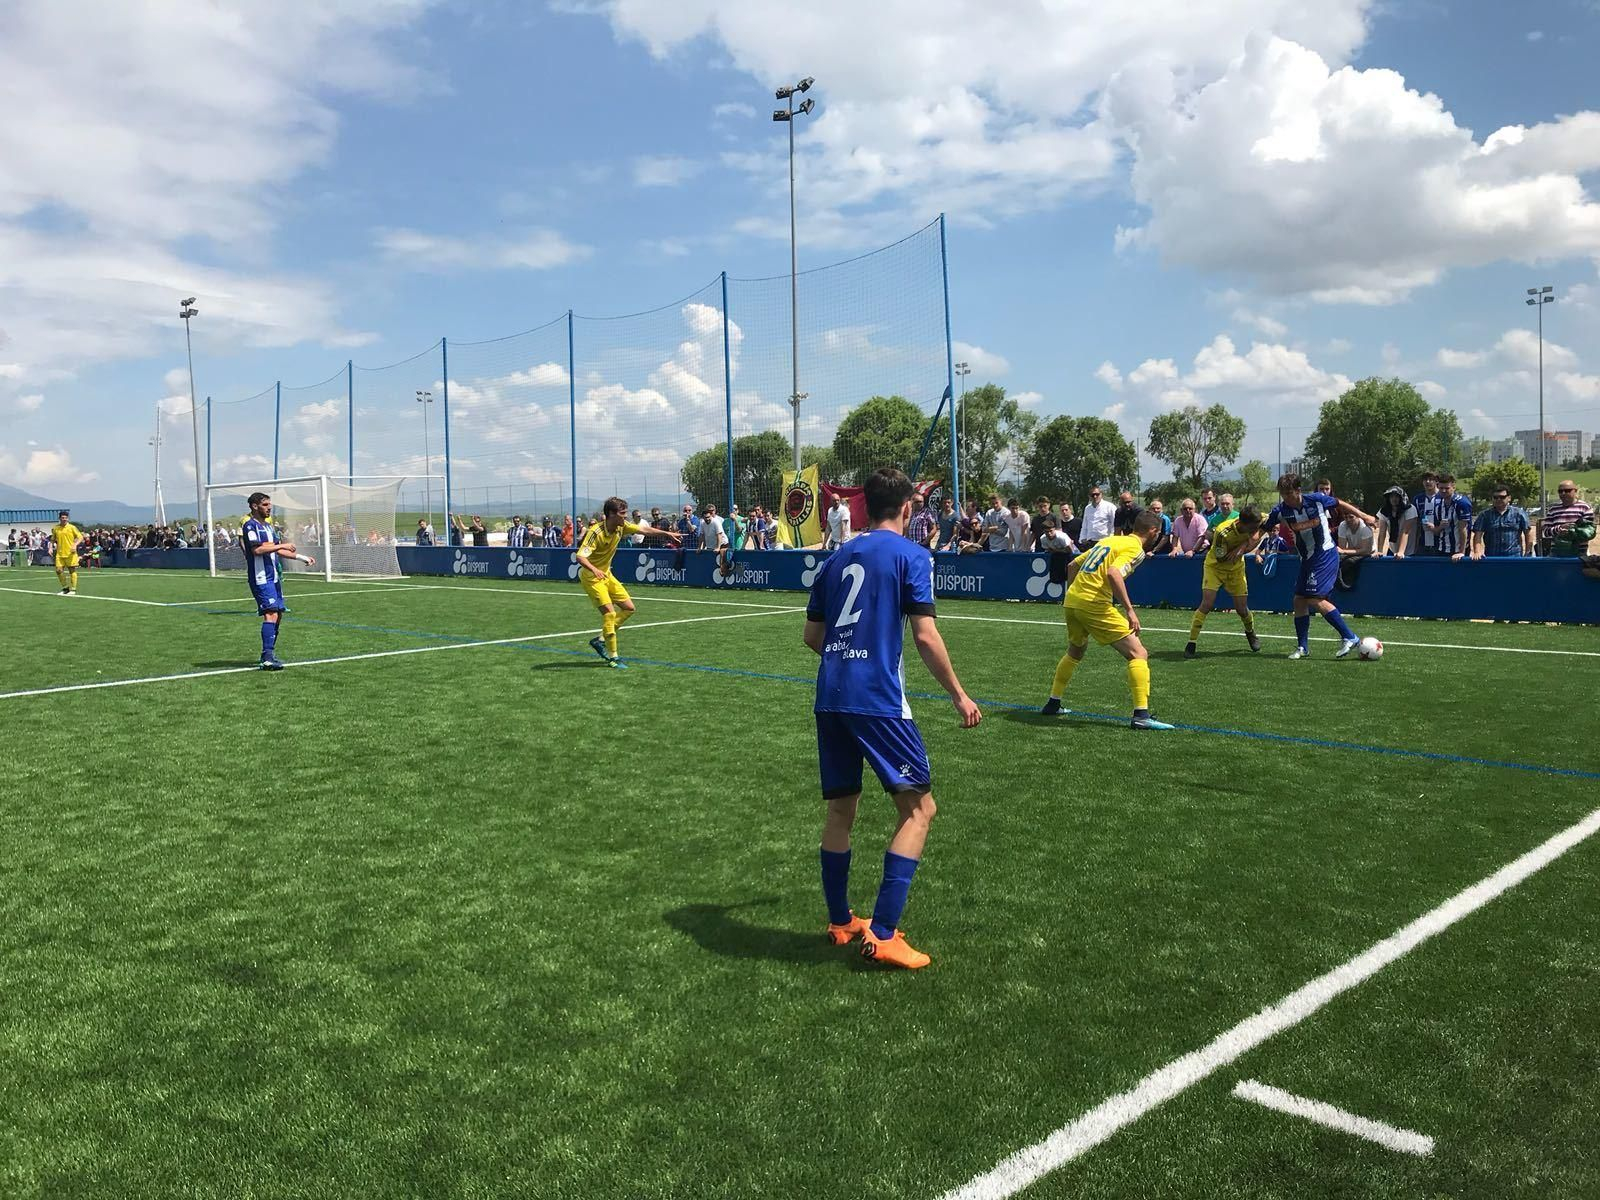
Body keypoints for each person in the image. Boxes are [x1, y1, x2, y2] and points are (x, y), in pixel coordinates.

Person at [804, 466, 981, 970]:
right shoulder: (913, 556)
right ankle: (882, 934)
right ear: (908, 509)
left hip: (829, 696)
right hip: (877, 699)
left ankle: (841, 923)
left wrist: (847, 658)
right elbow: (924, 636)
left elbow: (812, 638)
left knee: (842, 811)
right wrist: (959, 695)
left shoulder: (836, 558)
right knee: (919, 811)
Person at [1042, 510, 1172, 730]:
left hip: (1072, 600)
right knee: (1138, 653)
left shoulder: (1111, 540)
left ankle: (1053, 703)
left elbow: (1072, 566)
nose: (1158, 537)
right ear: (1152, 531)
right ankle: (1141, 715)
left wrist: (1075, 594)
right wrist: (1130, 610)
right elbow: (1113, 573)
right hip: (1094, 604)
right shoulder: (1135, 549)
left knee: (1075, 651)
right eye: (1158, 533)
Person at [1269, 473, 1376, 659]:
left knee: (1313, 598)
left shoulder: (1316, 500)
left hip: (1325, 554)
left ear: (1298, 491)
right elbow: (1261, 528)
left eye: (1289, 493)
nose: (1286, 497)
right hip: (1307, 559)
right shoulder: (1281, 511)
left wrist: (1364, 515)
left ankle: (1349, 636)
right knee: (1299, 600)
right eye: (1282, 494)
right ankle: (1303, 647)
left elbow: (1339, 503)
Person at [576, 497, 681, 668]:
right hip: (591, 577)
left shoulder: (621, 527)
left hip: (607, 575)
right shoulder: (596, 532)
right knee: (609, 614)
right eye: (622, 513)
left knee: (629, 608)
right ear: (611, 514)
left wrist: (667, 533)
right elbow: (580, 556)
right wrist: (594, 569)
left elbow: (645, 530)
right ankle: (613, 657)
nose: (625, 517)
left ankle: (600, 640)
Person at [240, 492, 315, 670]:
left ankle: (269, 654)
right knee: (271, 613)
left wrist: (301, 557)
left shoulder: (268, 526)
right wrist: (281, 545)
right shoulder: (250, 526)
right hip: (260, 578)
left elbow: (276, 550)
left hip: (273, 577)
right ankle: (267, 658)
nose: (269, 508)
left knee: (278, 614)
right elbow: (257, 550)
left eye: (270, 505)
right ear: (254, 506)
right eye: (265, 505)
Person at [1184, 505, 1266, 657]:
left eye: (1257, 527)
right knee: (1207, 604)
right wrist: (1244, 547)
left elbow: (1266, 524)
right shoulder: (1222, 532)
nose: (1256, 530)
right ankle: (1191, 642)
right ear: (1243, 523)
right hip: (1216, 567)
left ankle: (1250, 632)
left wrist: (1242, 546)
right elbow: (1223, 557)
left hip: (1236, 569)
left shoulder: (1258, 518)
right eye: (1253, 528)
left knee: (1242, 609)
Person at [1538, 480, 1595, 556]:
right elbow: (1546, 532)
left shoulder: (1584, 508)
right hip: (1557, 553)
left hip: (1579, 554)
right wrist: (1559, 529)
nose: (1563, 493)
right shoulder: (1553, 509)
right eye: (1560, 491)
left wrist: (1572, 531)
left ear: (1575, 491)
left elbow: (1589, 532)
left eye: (1567, 491)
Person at [1472, 488, 1532, 558]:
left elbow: (1528, 533)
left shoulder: (1519, 513)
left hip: (1514, 557)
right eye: (1495, 497)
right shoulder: (1484, 515)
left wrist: (1528, 553)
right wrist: (1477, 552)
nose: (1498, 499)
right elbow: (1477, 535)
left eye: (1502, 497)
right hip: (1491, 558)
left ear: (1509, 498)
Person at [1335, 507, 1376, 588]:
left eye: (1351, 517)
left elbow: (1365, 550)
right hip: (1353, 552)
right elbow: (1341, 547)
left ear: (1358, 517)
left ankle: (1348, 585)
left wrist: (1344, 551)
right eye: (1346, 517)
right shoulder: (1343, 525)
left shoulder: (1365, 528)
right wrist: (1343, 551)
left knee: (1349, 562)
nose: (1348, 520)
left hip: (1369, 554)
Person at [1435, 474, 1472, 559]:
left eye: (1447, 488)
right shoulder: (1438, 503)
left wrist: (1461, 552)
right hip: (1442, 548)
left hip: (1458, 550)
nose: (1443, 491)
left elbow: (1463, 529)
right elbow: (1439, 528)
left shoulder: (1462, 503)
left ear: (1453, 487)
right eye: (1441, 488)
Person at [1411, 471, 1445, 556]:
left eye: (1431, 479)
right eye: (1425, 479)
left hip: (1441, 544)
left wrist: (1437, 528)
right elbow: (1415, 522)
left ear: (1436, 481)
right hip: (1422, 544)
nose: (1428, 482)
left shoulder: (1443, 497)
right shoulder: (1417, 499)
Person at [1373, 487, 1413, 557]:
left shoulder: (1410, 509)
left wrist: (1401, 552)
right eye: (1391, 497)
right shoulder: (1384, 511)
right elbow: (1382, 532)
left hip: (1410, 550)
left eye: (1396, 496)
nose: (1394, 499)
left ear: (1402, 497)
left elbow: (1406, 532)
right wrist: (1379, 551)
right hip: (1393, 549)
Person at [51, 511, 83, 595]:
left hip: (70, 553)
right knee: (58, 570)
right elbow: (53, 539)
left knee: (71, 570)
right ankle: (65, 588)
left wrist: (75, 545)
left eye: (65, 518)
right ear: (60, 518)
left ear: (68, 518)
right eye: (62, 518)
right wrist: (50, 548)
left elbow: (80, 537)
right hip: (60, 553)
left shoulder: (72, 527)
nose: (64, 519)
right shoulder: (56, 528)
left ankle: (73, 589)